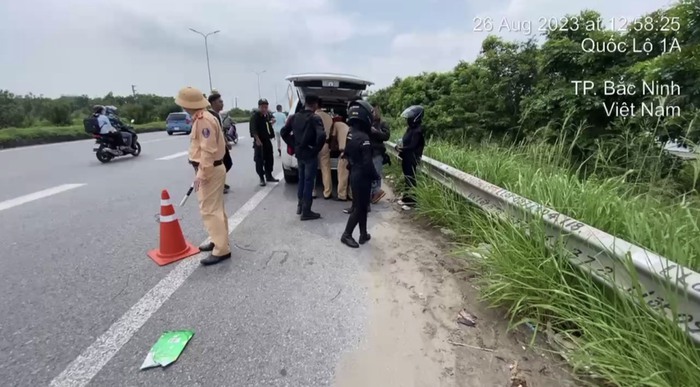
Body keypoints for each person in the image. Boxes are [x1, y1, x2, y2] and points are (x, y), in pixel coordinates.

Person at [176, 86, 231, 265]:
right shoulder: (204, 117)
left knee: (209, 210)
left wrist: (201, 174)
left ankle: (221, 249)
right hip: (212, 168)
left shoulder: (203, 120)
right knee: (216, 209)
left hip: (209, 169)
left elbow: (208, 150)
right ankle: (218, 240)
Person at [340, 100, 379, 248]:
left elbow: (347, 154)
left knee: (361, 206)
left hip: (355, 173)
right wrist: (376, 176)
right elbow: (368, 163)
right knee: (359, 208)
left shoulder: (350, 133)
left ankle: (363, 234)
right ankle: (347, 234)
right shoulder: (364, 138)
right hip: (362, 176)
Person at [280, 94, 326, 220]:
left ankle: (300, 206)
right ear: (315, 104)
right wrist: (315, 149)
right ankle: (306, 211)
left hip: (299, 153)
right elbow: (322, 136)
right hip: (309, 154)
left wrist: (294, 145)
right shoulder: (315, 118)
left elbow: (284, 132)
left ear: (305, 103)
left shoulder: (294, 117)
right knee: (308, 182)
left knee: (301, 180)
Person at [396, 105, 426, 208]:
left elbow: (413, 145)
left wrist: (402, 149)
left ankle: (412, 201)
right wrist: (399, 147)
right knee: (407, 178)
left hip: (412, 158)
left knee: (411, 179)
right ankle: (406, 198)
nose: (408, 119)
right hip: (406, 157)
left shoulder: (418, 131)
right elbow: (405, 142)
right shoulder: (410, 129)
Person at [249, 99, 279, 186]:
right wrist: (257, 140)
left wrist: (272, 121)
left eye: (266, 107)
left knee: (269, 158)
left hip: (267, 141)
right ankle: (261, 178)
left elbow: (271, 121)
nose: (264, 109)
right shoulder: (255, 116)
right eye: (262, 107)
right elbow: (253, 129)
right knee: (259, 160)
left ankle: (269, 175)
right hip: (259, 142)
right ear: (259, 107)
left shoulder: (267, 115)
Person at [207, 93, 232, 194]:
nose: (222, 104)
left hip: (221, 144)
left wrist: (226, 142)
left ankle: (220, 182)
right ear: (213, 103)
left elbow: (221, 131)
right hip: (215, 147)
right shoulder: (211, 115)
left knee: (227, 163)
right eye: (220, 102)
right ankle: (216, 184)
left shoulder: (218, 115)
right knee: (220, 165)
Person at [369, 106, 390, 204]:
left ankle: (377, 192)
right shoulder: (368, 122)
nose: (372, 113)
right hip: (369, 151)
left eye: (374, 111)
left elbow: (386, 136)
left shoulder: (382, 123)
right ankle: (374, 193)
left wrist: (376, 132)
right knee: (371, 173)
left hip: (377, 152)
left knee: (376, 173)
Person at [315, 107, 334, 200]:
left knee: (312, 168)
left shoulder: (313, 116)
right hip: (325, 144)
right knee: (325, 169)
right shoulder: (328, 117)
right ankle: (327, 192)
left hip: (314, 144)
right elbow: (331, 133)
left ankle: (312, 191)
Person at [334, 113, 352, 202]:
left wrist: (332, 147)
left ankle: (342, 195)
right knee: (351, 175)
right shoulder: (348, 126)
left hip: (344, 152)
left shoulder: (335, 125)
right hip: (352, 152)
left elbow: (333, 137)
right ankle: (351, 195)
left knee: (342, 175)